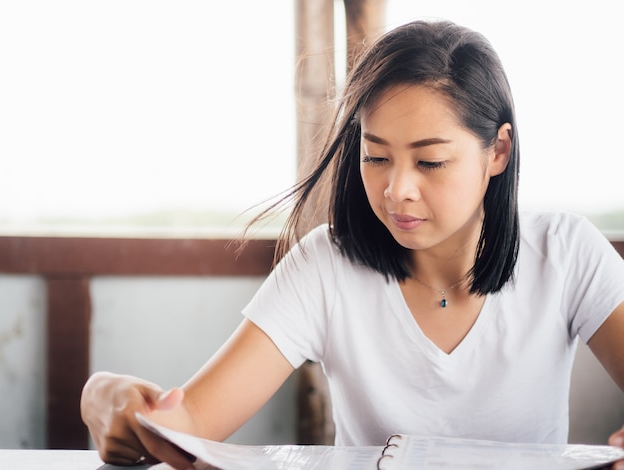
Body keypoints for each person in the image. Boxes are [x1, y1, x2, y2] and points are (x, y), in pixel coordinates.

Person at [80, 19, 624, 469]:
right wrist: (106, 397)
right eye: (376, 156)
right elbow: (191, 423)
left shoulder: (567, 254)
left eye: (430, 161)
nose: (396, 190)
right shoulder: (326, 265)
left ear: (498, 152)